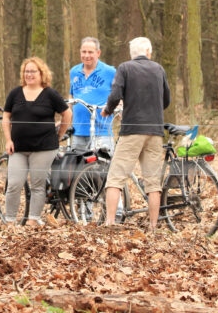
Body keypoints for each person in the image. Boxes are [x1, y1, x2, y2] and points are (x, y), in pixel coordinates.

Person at [101, 37, 170, 230]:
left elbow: (115, 95)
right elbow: (166, 100)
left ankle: (110, 223)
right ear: (148, 51)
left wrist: (108, 109)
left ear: (132, 53)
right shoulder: (159, 69)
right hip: (155, 131)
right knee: (153, 182)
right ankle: (154, 226)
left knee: (115, 178)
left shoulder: (125, 68)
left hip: (132, 130)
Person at [2, 57, 72, 226]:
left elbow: (67, 114)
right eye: (27, 71)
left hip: (44, 148)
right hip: (18, 148)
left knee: (37, 185)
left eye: (33, 71)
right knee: (14, 184)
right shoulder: (15, 93)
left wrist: (60, 134)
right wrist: (8, 139)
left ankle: (33, 219)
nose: (29, 74)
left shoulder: (50, 94)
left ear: (42, 73)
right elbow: (6, 116)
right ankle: (10, 221)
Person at [69, 37, 117, 152]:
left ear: (98, 53)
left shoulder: (110, 71)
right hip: (78, 131)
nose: (87, 55)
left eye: (90, 52)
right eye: (84, 52)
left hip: (102, 132)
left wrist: (119, 109)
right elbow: (71, 95)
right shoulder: (74, 71)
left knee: (101, 168)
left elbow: (119, 95)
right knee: (78, 168)